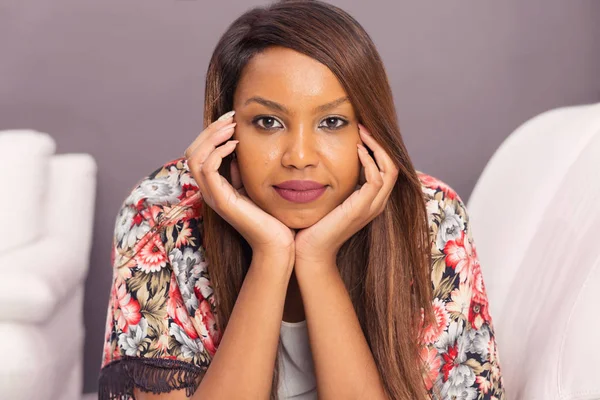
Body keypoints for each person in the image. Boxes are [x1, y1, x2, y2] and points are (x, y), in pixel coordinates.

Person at [98, 1, 505, 399]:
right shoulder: (162, 213)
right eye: (268, 122)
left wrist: (316, 260)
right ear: (227, 130)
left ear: (369, 130)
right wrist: (271, 254)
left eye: (332, 122)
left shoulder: (429, 218)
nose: (300, 157)